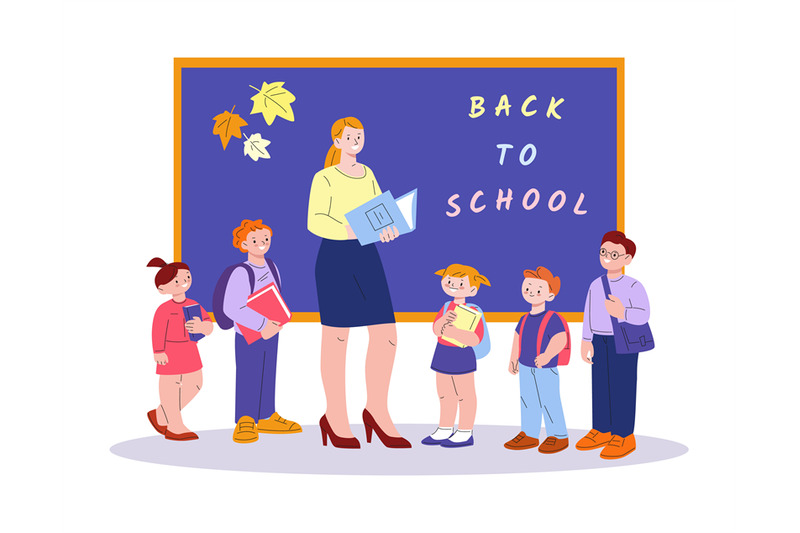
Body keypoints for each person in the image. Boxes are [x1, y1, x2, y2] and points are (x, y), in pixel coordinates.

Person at [307, 116, 410, 449]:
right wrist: (348, 229)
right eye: (349, 136)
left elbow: (379, 212)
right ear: (336, 141)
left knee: (387, 336)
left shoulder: (369, 174)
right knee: (337, 336)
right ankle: (335, 415)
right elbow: (315, 221)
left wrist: (389, 227)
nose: (355, 141)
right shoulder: (324, 178)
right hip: (335, 258)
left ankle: (376, 410)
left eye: (359, 136)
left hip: (368, 258)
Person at [224, 219, 301, 444]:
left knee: (268, 372)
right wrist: (261, 325)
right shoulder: (241, 272)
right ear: (244, 245)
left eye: (265, 239)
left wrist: (276, 322)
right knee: (249, 373)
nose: (262, 244)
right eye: (255, 240)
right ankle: (245, 420)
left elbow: (274, 296)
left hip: (272, 331)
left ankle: (266, 415)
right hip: (249, 334)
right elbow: (233, 307)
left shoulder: (272, 266)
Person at [577, 230, 650, 459]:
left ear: (627, 259)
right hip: (599, 338)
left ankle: (624, 435)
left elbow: (644, 314)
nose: (608, 257)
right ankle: (601, 429)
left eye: (615, 254)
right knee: (600, 385)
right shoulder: (595, 285)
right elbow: (588, 313)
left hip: (623, 340)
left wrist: (623, 312)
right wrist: (586, 339)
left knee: (622, 387)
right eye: (604, 252)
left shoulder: (632, 286)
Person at [422, 264, 490, 448]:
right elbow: (436, 330)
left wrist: (453, 332)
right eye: (449, 281)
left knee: (465, 394)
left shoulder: (474, 311)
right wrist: (444, 321)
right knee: (444, 394)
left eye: (460, 284)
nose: (453, 286)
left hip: (462, 356)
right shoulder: (445, 307)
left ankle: (465, 431)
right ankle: (444, 427)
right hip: (442, 353)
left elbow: (476, 339)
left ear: (473, 290)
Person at [147, 257, 213, 441]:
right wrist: (158, 351)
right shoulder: (164, 309)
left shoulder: (194, 305)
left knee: (196, 384)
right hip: (170, 352)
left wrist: (202, 327)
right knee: (171, 386)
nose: (183, 282)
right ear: (162, 289)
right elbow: (157, 331)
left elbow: (208, 325)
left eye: (187, 277)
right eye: (177, 281)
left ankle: (161, 414)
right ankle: (175, 426)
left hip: (190, 350)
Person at [505, 267, 570, 454]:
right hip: (525, 366)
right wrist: (513, 359)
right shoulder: (524, 318)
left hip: (545, 367)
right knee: (528, 400)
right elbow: (517, 337)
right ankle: (529, 434)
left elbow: (560, 338)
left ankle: (558, 435)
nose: (532, 291)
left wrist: (547, 355)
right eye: (528, 287)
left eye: (538, 289)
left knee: (549, 400)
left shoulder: (553, 318)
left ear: (550, 295)